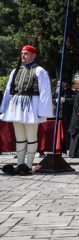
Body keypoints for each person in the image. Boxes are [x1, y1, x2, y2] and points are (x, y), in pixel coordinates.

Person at [1, 45, 53, 176]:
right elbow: (8, 90)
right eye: (22, 53)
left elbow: (45, 92)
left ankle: (28, 166)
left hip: (31, 106)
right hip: (16, 106)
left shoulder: (40, 71)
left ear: (33, 55)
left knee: (31, 137)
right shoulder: (15, 71)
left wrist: (42, 111)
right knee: (20, 138)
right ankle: (20, 164)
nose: (22, 56)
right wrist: (4, 107)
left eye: (26, 53)